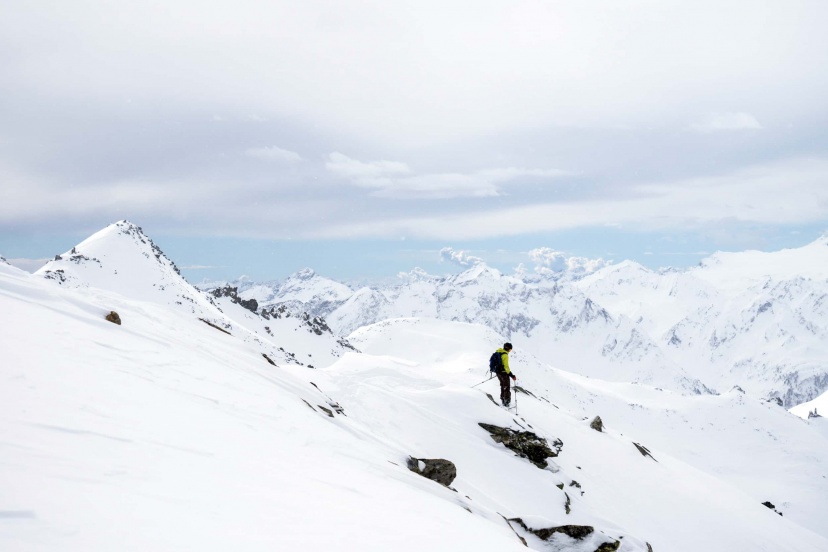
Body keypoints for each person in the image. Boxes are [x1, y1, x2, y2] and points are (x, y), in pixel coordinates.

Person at [494, 343, 516, 407]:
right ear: (508, 348)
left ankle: (503, 400)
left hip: (498, 373)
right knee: (506, 387)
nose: (510, 351)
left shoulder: (499, 352)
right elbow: (506, 367)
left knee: (502, 386)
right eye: (510, 349)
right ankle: (506, 403)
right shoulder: (505, 355)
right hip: (504, 373)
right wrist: (512, 375)